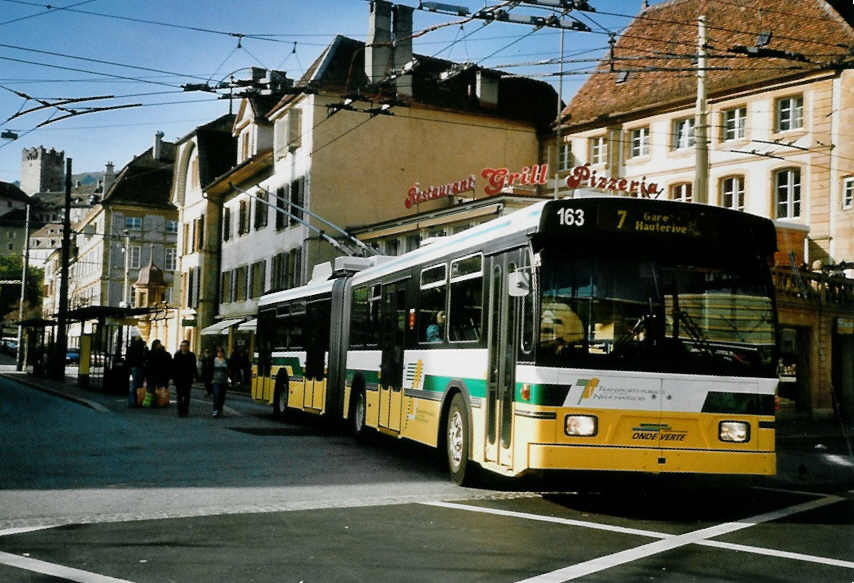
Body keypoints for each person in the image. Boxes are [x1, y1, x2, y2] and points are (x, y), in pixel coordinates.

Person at [172, 340, 197, 418]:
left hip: (187, 378)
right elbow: (173, 368)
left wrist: (195, 376)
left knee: (186, 396)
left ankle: (185, 410)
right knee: (179, 396)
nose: (183, 347)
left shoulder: (192, 355)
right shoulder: (177, 355)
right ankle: (180, 411)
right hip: (178, 379)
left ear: (188, 347)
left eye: (185, 346)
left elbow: (194, 367)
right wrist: (172, 378)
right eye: (182, 346)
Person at [144, 339, 171, 408]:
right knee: (157, 389)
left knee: (152, 389)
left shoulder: (150, 353)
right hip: (158, 374)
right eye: (159, 344)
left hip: (153, 374)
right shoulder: (162, 353)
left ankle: (152, 402)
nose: (159, 345)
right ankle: (159, 402)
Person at [126, 337, 147, 408]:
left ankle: (133, 402)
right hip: (139, 368)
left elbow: (128, 359)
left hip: (133, 368)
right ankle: (137, 401)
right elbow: (143, 358)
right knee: (137, 386)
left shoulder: (131, 348)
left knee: (134, 386)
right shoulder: (141, 349)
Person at [211, 346, 229, 418]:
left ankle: (220, 409)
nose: (220, 353)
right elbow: (210, 370)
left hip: (224, 381)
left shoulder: (226, 360)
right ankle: (215, 410)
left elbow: (229, 371)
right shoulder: (214, 360)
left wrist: (229, 379)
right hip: (216, 381)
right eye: (218, 352)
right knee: (216, 395)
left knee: (222, 396)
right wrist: (211, 379)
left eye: (221, 352)